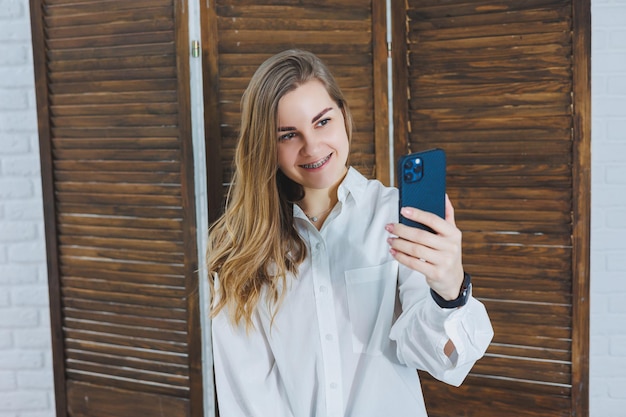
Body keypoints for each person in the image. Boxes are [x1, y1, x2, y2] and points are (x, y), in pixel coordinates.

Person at [207, 49, 493, 417]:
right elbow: (247, 400)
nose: (312, 147)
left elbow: (446, 361)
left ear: (343, 114)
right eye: (288, 135)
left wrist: (450, 291)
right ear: (266, 146)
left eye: (322, 122)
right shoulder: (240, 251)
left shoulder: (398, 216)